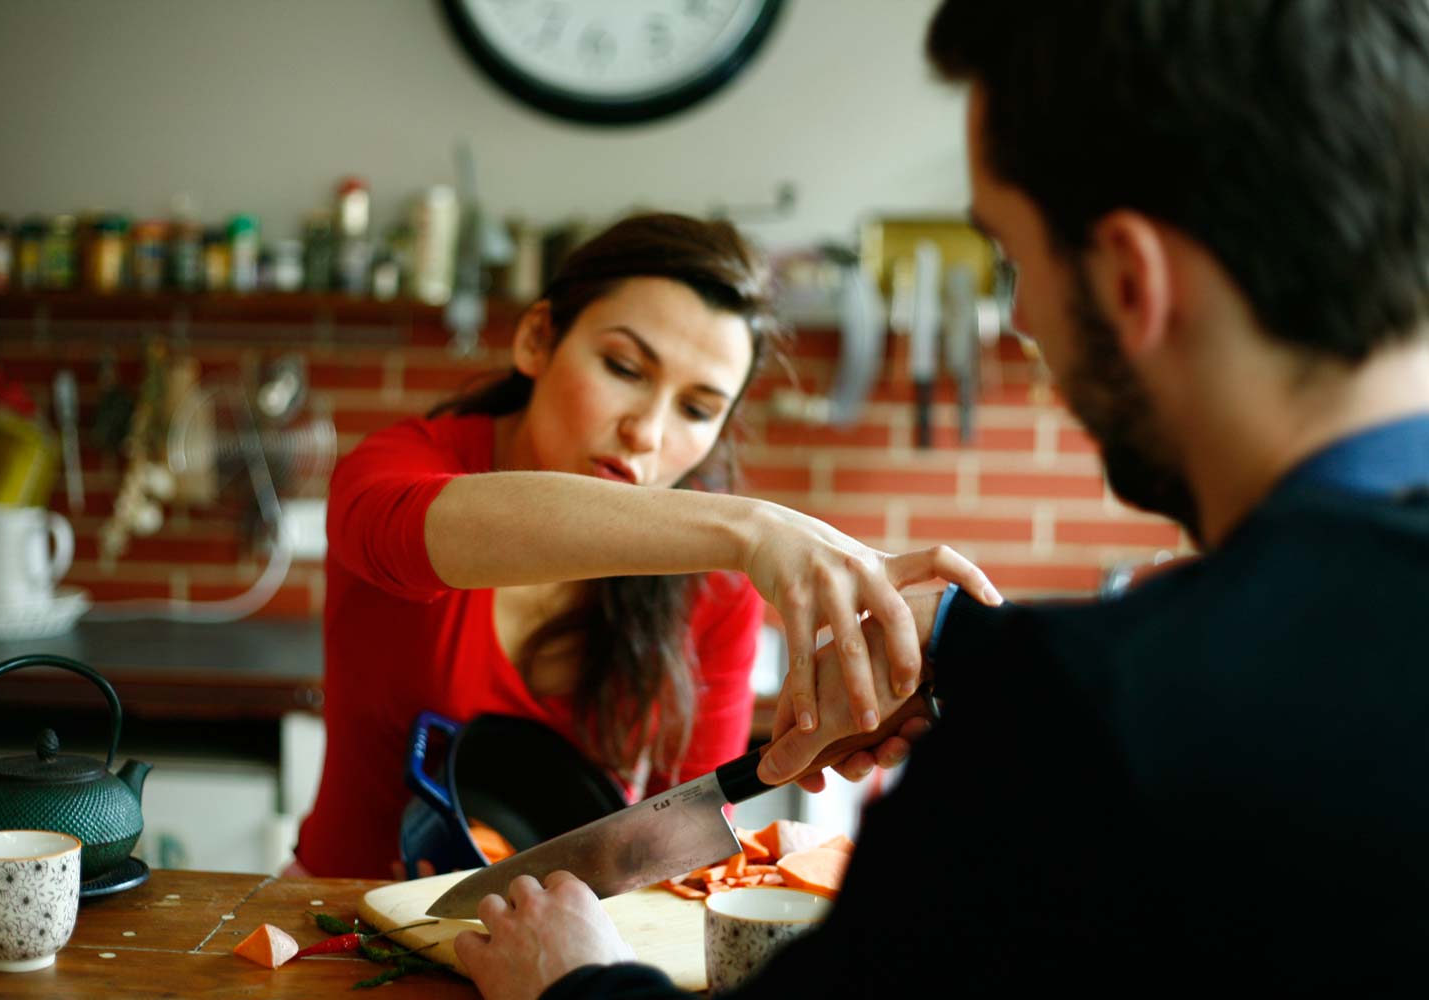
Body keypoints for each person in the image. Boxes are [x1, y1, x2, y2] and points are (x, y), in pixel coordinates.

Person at [452, 2, 1429, 996]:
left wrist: (571, 982)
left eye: (1013, 259)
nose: (1018, 318)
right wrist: (959, 639)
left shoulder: (1083, 721)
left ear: (1131, 282)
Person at [291, 212, 995, 879]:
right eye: (625, 369)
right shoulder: (395, 469)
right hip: (326, 928)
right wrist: (750, 529)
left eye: (696, 409)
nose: (648, 433)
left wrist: (822, 730)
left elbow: (676, 844)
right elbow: (416, 541)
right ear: (538, 339)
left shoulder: (713, 586)